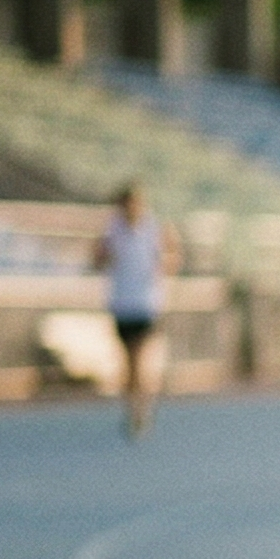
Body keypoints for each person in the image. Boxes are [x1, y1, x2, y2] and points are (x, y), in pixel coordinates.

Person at [91, 183, 178, 438]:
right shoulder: (111, 233)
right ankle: (135, 406)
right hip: (121, 304)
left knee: (139, 359)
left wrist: (164, 264)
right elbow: (96, 261)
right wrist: (104, 257)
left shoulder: (155, 229)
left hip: (146, 304)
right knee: (128, 364)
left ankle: (141, 409)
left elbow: (172, 257)